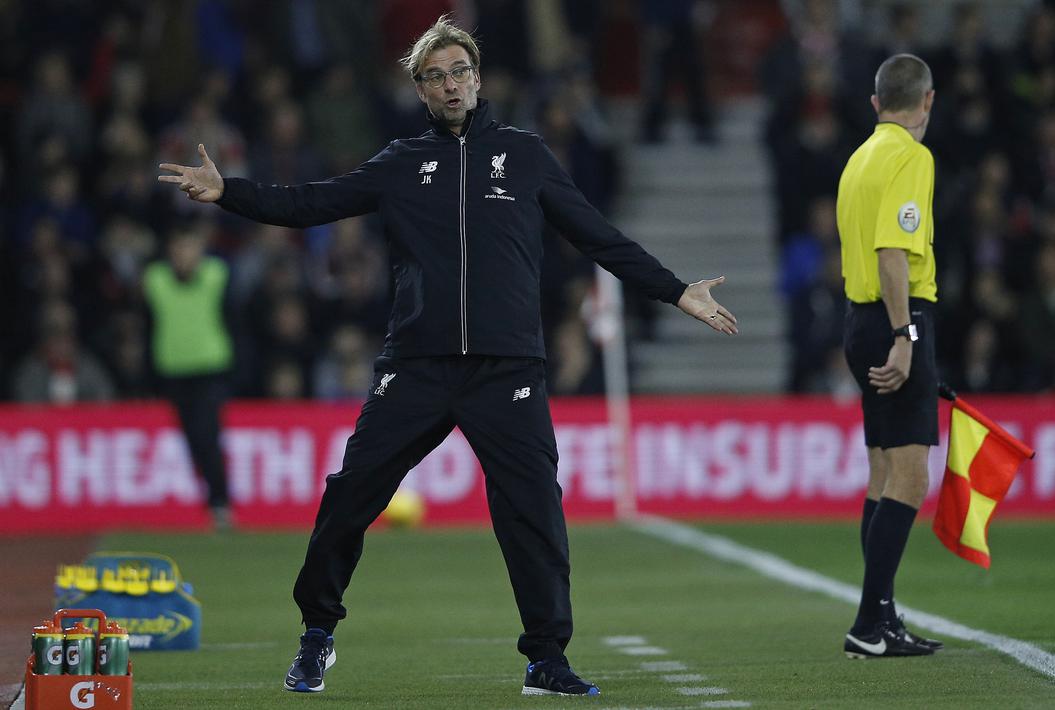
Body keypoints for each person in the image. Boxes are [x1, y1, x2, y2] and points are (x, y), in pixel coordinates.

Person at [158, 15, 737, 697]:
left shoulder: (524, 156)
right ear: (421, 92)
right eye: (434, 77)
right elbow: (308, 203)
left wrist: (674, 292)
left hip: (508, 369)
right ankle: (317, 634)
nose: (449, 84)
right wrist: (230, 193)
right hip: (417, 366)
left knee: (533, 513)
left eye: (459, 71)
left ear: (478, 78)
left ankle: (545, 658)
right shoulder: (400, 164)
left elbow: (600, 238)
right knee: (349, 498)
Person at [835, 53, 945, 658]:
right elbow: (892, 253)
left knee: (882, 471)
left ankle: (882, 619)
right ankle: (870, 624)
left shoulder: (859, 159)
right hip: (894, 319)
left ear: (877, 104)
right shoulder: (911, 156)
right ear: (927, 100)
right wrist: (908, 335)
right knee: (910, 472)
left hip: (860, 319)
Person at [142, 224, 234, 529]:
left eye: (190, 247)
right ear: (170, 251)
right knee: (193, 440)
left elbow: (233, 319)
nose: (185, 255)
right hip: (173, 371)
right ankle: (215, 502)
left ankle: (220, 504)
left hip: (210, 369)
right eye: (179, 248)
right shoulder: (155, 280)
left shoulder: (216, 275)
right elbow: (146, 325)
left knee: (207, 435)